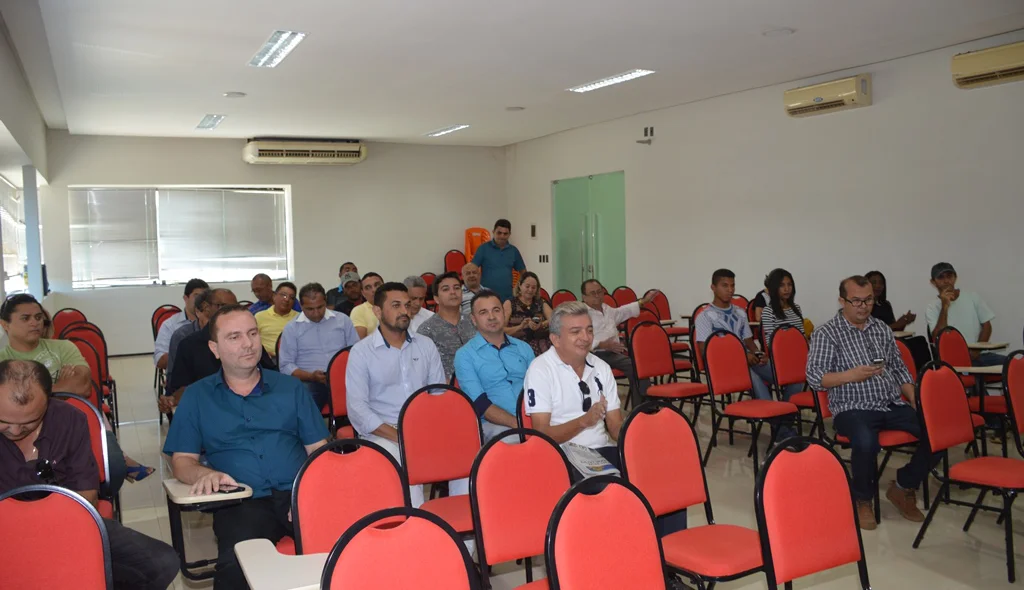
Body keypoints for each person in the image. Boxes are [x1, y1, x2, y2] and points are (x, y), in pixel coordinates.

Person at [164, 306, 329, 590]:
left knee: (350, 553)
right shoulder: (197, 397)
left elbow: (320, 452)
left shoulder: (290, 388)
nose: (248, 344)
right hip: (243, 502)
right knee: (236, 569)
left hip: (299, 495)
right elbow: (182, 461)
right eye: (234, 337)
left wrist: (309, 495)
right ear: (214, 348)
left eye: (252, 334)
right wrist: (203, 475)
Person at [0, 359, 179, 590]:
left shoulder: (69, 419)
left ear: (48, 403)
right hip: (7, 532)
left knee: (162, 562)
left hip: (67, 522)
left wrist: (56, 534)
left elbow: (86, 494)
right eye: (4, 421)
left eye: (29, 422)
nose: (15, 431)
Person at [806, 275, 941, 530]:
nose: (863, 306)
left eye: (868, 300)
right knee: (866, 441)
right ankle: (862, 499)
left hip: (890, 403)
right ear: (842, 300)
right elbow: (815, 377)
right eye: (856, 300)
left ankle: (903, 486)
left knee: (938, 433)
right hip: (851, 407)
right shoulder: (827, 333)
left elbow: (900, 369)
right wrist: (851, 375)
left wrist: (914, 398)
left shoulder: (880, 328)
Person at [0, 294, 150, 485]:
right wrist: (60, 388)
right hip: (17, 435)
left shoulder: (63, 347)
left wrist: (30, 397)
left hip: (76, 422)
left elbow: (83, 387)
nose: (35, 323)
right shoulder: (2, 359)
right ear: (5, 324)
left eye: (38, 317)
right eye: (25, 318)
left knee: (114, 469)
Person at [346, 282, 455, 507]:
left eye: (407, 305)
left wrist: (428, 431)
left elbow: (438, 394)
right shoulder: (361, 352)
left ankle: (467, 539)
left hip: (423, 428)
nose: (405, 311)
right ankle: (415, 530)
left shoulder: (425, 345)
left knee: (467, 462)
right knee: (404, 464)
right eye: (396, 305)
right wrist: (400, 437)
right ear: (377, 311)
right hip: (383, 433)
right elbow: (358, 411)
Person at [694, 270, 801, 406]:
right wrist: (743, 356)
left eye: (732, 286)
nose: (730, 290)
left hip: (747, 361)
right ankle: (778, 420)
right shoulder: (705, 316)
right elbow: (706, 352)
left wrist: (758, 354)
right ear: (713, 288)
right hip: (724, 365)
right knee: (753, 377)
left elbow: (749, 342)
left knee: (794, 375)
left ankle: (784, 416)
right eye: (725, 286)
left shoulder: (740, 313)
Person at [162, 293, 277, 413]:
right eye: (223, 306)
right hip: (207, 410)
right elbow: (176, 391)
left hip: (253, 405)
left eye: (235, 307)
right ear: (207, 308)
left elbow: (271, 374)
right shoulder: (189, 344)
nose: (231, 313)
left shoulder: (249, 341)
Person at [454, 290, 533, 441]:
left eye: (496, 310)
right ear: (474, 319)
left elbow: (540, 389)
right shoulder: (465, 355)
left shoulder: (523, 348)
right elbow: (480, 403)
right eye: (483, 312)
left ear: (504, 313)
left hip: (532, 418)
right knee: (515, 440)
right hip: (495, 424)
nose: (491, 317)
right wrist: (518, 424)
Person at [279, 282, 359, 409]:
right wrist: (311, 376)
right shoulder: (292, 328)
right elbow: (286, 366)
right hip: (309, 381)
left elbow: (356, 352)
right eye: (310, 309)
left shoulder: (342, 320)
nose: (316, 313)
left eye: (320, 307)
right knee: (305, 404)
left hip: (343, 378)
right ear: (301, 306)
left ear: (325, 302)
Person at [581, 279, 658, 407]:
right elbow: (579, 338)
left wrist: (643, 302)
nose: (597, 296)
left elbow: (623, 311)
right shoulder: (581, 313)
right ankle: (644, 408)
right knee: (634, 366)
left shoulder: (607, 309)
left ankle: (642, 407)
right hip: (594, 355)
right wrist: (601, 344)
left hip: (614, 352)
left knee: (639, 367)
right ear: (584, 297)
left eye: (599, 292)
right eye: (593, 293)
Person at [925, 262, 1004, 366]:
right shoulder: (932, 307)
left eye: (949, 276)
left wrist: (976, 351)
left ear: (955, 277)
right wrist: (944, 306)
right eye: (940, 277)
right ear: (933, 282)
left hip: (981, 354)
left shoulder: (972, 297)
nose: (946, 281)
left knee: (1014, 365)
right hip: (954, 359)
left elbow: (986, 326)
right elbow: (938, 337)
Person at [865, 270, 931, 371]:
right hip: (876, 342)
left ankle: (925, 376)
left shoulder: (885, 304)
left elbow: (895, 329)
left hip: (892, 339)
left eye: (881, 283)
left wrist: (904, 321)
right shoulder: (864, 305)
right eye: (874, 282)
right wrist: (896, 324)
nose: (878, 285)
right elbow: (873, 329)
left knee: (919, 341)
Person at [416, 272, 476, 381]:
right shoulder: (426, 330)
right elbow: (422, 369)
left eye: (457, 288)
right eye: (445, 289)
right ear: (436, 298)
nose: (453, 292)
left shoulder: (473, 321)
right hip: (447, 389)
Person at [167, 288, 232, 375]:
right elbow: (175, 379)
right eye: (205, 315)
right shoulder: (183, 337)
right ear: (198, 312)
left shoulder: (233, 333)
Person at [153, 278, 209, 371]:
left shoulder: (214, 323)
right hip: (182, 376)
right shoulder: (171, 324)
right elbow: (159, 359)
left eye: (205, 298)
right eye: (196, 296)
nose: (201, 301)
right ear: (185, 298)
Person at [471, 219, 526, 302]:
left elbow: (523, 273)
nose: (502, 236)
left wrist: (517, 289)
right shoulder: (483, 248)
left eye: (505, 234)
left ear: (509, 234)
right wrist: (475, 288)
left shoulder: (513, 251)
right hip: (486, 297)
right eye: (499, 233)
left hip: (507, 298)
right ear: (493, 232)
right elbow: (472, 269)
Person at [503, 271, 552, 356]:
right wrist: (520, 327)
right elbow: (501, 330)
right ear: (520, 285)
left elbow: (555, 319)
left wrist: (541, 325)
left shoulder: (540, 303)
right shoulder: (510, 303)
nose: (530, 290)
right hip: (517, 343)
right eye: (527, 286)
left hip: (540, 342)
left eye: (533, 287)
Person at [760, 268, 805, 348]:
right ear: (774, 288)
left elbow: (802, 335)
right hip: (782, 354)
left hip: (800, 351)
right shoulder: (768, 311)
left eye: (789, 284)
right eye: (781, 285)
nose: (787, 289)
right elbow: (771, 343)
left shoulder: (797, 308)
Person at [254, 282, 299, 356]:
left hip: (294, 358)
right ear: (274, 296)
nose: (287, 299)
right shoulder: (260, 317)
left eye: (292, 297)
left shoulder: (299, 318)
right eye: (284, 295)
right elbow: (252, 340)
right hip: (270, 359)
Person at [351, 272, 384, 339]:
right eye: (368, 287)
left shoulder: (396, 306)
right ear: (363, 293)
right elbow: (361, 343)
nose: (374, 290)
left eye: (377, 285)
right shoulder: (359, 311)